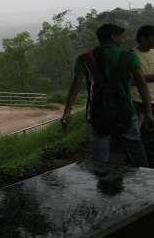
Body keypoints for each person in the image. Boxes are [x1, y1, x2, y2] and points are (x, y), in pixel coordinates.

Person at [61, 23, 154, 167]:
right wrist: (148, 112)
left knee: (100, 153)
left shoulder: (84, 58)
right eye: (120, 36)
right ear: (113, 37)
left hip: (98, 112)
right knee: (135, 146)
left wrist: (67, 112)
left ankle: (102, 182)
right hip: (126, 111)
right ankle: (146, 182)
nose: (122, 39)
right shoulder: (129, 57)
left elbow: (75, 86)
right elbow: (142, 85)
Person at [131, 25, 154, 165]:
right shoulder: (131, 55)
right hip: (139, 102)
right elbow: (129, 81)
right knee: (142, 138)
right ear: (143, 38)